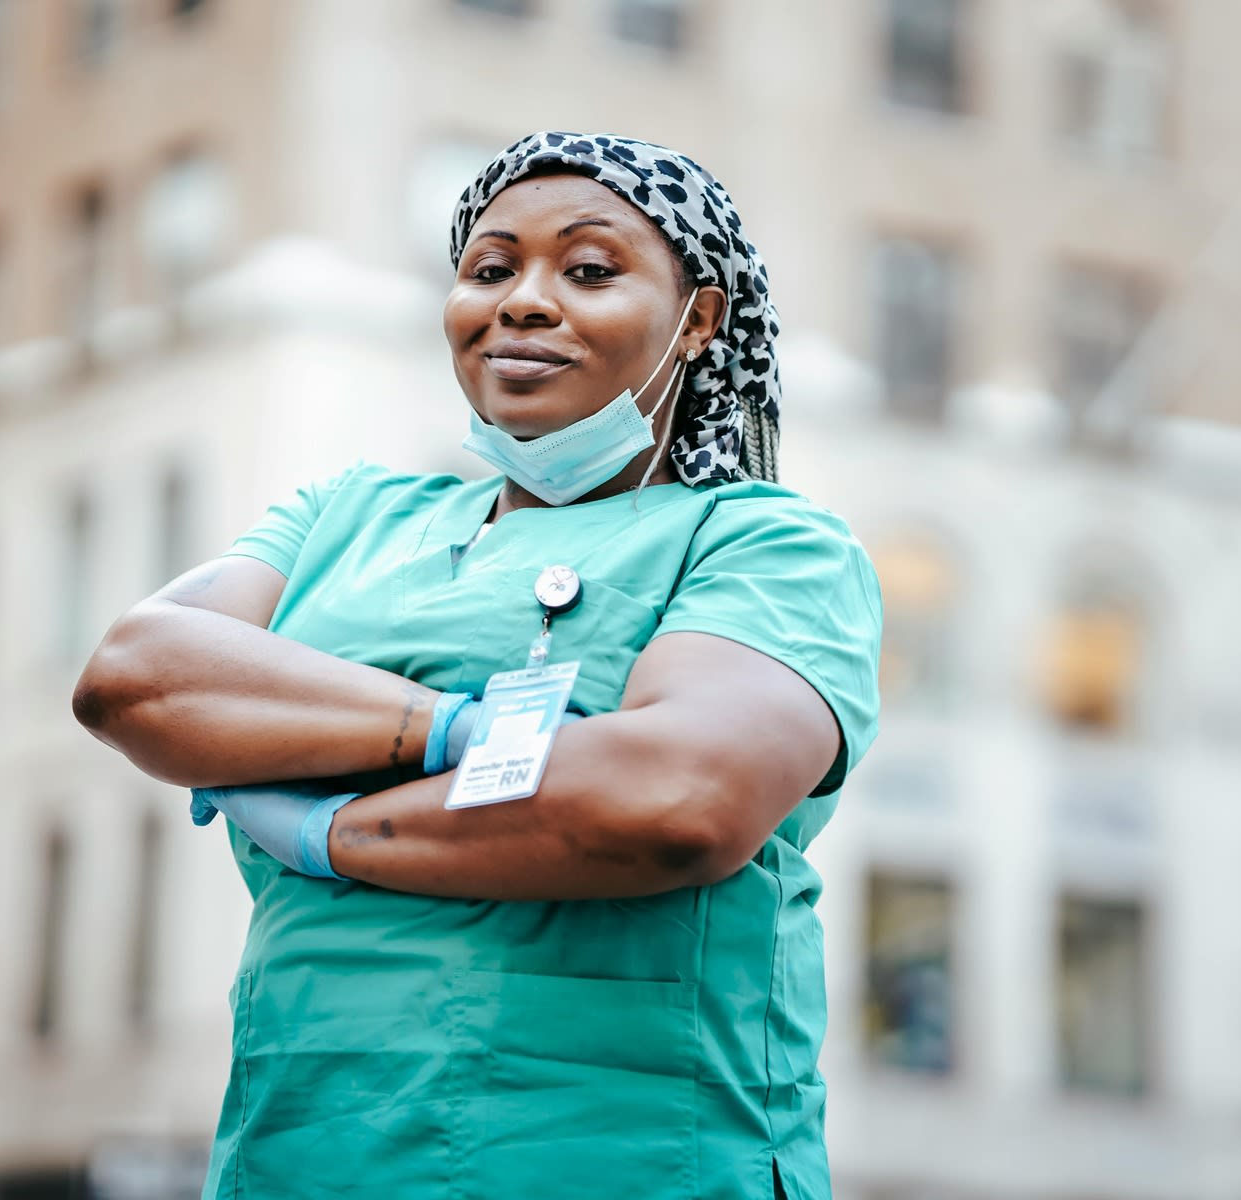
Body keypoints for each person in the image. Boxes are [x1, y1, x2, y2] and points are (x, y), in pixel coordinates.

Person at [72, 131, 882, 1200]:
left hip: (623, 1160)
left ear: (699, 320)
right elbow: (138, 676)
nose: (525, 302)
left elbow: (677, 796)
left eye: (589, 271)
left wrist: (324, 830)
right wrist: (467, 737)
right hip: (306, 1160)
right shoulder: (346, 515)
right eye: (490, 269)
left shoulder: (766, 545)